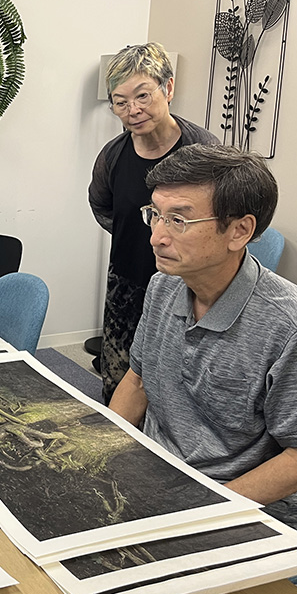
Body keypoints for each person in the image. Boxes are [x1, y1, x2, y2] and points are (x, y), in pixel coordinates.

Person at [109, 144, 297, 537]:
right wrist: (104, 451)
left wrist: (201, 512)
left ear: (239, 231)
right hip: (166, 475)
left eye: (179, 220)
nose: (156, 237)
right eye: (155, 215)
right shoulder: (164, 286)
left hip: (250, 505)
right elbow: (137, 382)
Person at [89, 42, 218, 403]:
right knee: (118, 383)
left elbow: (218, 220)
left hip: (187, 288)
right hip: (126, 283)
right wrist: (140, 235)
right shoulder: (113, 155)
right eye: (120, 102)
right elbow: (101, 205)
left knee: (175, 390)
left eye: (142, 96)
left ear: (168, 88)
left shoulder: (203, 151)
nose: (133, 110)